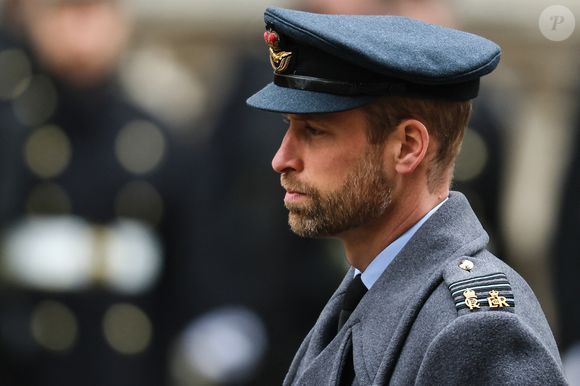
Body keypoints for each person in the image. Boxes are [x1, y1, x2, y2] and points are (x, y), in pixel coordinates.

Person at [246, 7, 567, 385]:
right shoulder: (362, 291)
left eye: (315, 131)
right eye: (289, 128)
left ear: (407, 148)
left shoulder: (476, 332)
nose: (281, 159)